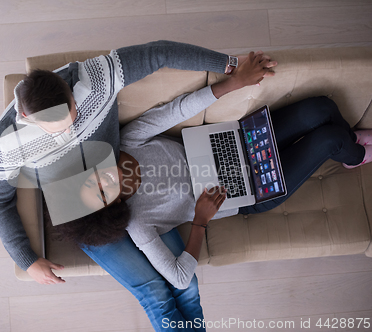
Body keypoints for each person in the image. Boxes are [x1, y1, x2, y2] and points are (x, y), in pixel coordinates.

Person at [52, 63, 370, 331]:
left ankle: (350, 146)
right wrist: (200, 221)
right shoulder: (139, 223)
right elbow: (179, 278)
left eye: (90, 176)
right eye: (102, 192)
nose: (102, 177)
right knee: (331, 138)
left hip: (239, 141)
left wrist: (233, 83)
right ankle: (353, 155)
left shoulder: (128, 141)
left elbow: (176, 110)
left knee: (322, 107)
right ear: (114, 205)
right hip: (249, 191)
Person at [0, 40, 276, 285]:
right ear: (26, 119)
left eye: (72, 113)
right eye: (54, 128)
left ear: (68, 89)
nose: (69, 130)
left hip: (119, 170)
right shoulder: (6, 144)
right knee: (156, 291)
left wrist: (230, 66)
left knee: (177, 288)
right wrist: (26, 259)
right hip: (80, 209)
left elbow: (160, 52)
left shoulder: (95, 80)